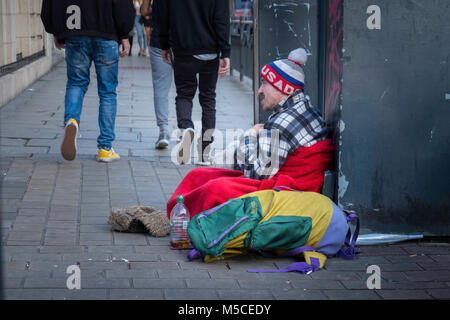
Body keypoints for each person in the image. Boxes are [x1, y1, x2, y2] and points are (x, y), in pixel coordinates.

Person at [166, 48, 334, 219]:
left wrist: (249, 136)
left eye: (265, 83)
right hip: (286, 183)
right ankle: (179, 214)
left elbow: (255, 174)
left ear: (282, 87)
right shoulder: (306, 109)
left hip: (282, 193)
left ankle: (180, 219)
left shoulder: (283, 123)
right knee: (200, 175)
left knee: (213, 189)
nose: (260, 90)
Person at [41, 0, 135, 162]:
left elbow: (49, 5)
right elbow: (123, 5)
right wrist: (125, 34)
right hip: (106, 34)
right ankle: (105, 149)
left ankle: (71, 120)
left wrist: (56, 31)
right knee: (107, 92)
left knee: (76, 83)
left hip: (75, 34)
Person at [156, 0, 231, 165]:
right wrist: (225, 51)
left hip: (184, 49)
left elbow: (162, 14)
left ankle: (186, 127)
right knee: (208, 99)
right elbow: (222, 19)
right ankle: (205, 153)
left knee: (184, 94)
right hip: (211, 50)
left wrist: (164, 44)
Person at [141, 0, 172, 149]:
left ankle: (164, 130)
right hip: (185, 40)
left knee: (161, 87)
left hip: (159, 39)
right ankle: (186, 128)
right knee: (186, 89)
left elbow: (144, 11)